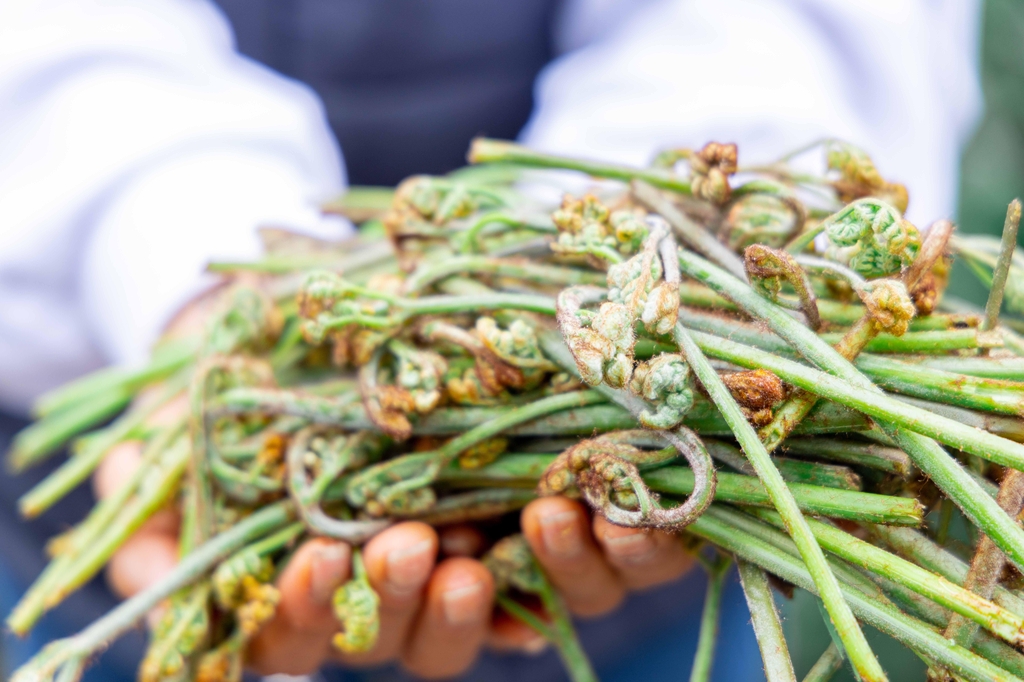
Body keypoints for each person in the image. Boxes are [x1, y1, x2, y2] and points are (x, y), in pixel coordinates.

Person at [0, 1, 981, 680]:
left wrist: (653, 233)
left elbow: (778, 21)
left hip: (646, 588)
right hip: (91, 371)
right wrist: (176, 257)